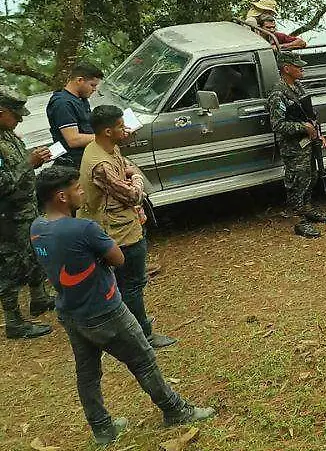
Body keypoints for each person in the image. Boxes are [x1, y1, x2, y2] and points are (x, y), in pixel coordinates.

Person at [31, 166, 215, 446]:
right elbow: (118, 259)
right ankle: (175, 410)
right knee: (143, 359)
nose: (82, 191)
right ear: (61, 197)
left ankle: (102, 428)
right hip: (105, 310)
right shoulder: (84, 228)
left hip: (70, 312)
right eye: (76, 187)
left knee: (87, 373)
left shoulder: (37, 227)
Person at [78, 105, 176, 348]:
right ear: (108, 131)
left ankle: (129, 324)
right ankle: (142, 334)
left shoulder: (104, 148)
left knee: (125, 283)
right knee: (131, 284)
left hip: (122, 224)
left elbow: (125, 168)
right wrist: (137, 178)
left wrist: (130, 176)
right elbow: (133, 195)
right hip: (119, 231)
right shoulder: (101, 164)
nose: (127, 129)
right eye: (121, 126)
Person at [0, 88, 54, 340]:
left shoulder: (7, 134)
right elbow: (3, 184)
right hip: (7, 219)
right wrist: (29, 163)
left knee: (34, 255)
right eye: (15, 114)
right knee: (10, 267)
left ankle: (39, 298)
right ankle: (14, 322)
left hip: (25, 211)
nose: (20, 119)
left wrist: (34, 160)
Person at [268, 52, 326, 237]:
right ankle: (297, 219)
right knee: (296, 182)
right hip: (293, 147)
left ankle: (307, 208)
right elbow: (277, 124)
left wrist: (318, 134)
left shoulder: (298, 87)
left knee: (310, 177)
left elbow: (310, 114)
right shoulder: (278, 93)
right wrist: (302, 127)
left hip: (308, 143)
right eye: (298, 66)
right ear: (286, 68)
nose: (302, 68)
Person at [47, 61, 104, 168]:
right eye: (92, 85)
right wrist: (106, 137)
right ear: (79, 80)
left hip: (89, 158)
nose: (94, 89)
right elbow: (73, 140)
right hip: (74, 164)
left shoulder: (81, 99)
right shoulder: (63, 103)